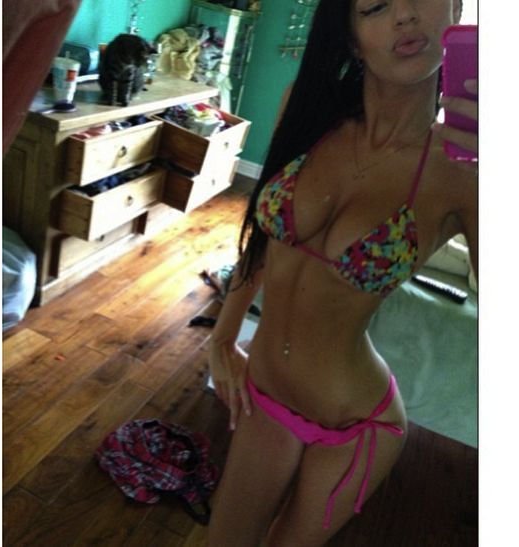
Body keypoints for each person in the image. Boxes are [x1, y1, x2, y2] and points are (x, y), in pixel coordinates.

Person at [207, 0, 477, 545]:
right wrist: (222, 336)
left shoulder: (461, 170)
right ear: (350, 37)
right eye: (374, 5)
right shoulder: (306, 111)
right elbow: (263, 240)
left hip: (359, 426)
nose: (404, 15)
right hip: (264, 393)